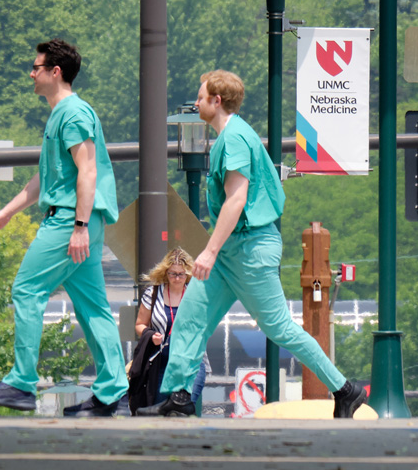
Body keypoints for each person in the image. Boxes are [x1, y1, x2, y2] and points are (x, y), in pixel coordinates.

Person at [137, 70, 367, 418]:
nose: (196, 103)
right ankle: (179, 397)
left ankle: (344, 389)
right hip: (234, 250)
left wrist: (210, 251)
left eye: (201, 97)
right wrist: (217, 251)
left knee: (279, 328)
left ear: (216, 101)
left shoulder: (235, 139)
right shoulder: (230, 137)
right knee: (189, 318)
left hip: (249, 250)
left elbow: (237, 199)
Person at [0, 38, 128, 417]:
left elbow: (87, 171)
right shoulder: (60, 114)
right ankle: (112, 392)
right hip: (74, 218)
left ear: (55, 72)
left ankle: (21, 383)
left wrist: (79, 227)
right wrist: (6, 213)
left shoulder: (73, 114)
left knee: (27, 289)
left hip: (69, 221)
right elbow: (44, 181)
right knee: (93, 308)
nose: (31, 72)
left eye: (36, 67)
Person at [130, 247, 209, 412]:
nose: (177, 278)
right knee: (161, 412)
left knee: (183, 409)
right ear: (165, 272)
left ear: (188, 274)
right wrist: (151, 336)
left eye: (181, 274)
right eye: (173, 273)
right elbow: (139, 324)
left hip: (191, 362)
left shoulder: (196, 296)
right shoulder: (153, 294)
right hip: (160, 363)